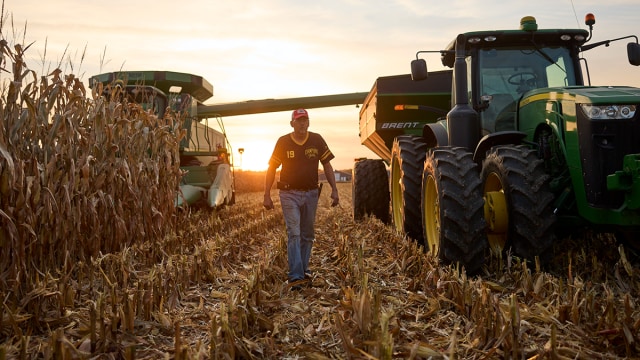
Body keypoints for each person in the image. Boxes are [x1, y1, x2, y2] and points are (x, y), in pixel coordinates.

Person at [263, 108, 339, 290]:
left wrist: (335, 189)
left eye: (305, 120)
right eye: (299, 120)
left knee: (308, 235)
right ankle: (295, 276)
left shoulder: (317, 140)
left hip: (312, 193)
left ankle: (303, 270)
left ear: (309, 122)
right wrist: (266, 194)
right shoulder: (283, 142)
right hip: (289, 194)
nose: (302, 123)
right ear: (292, 123)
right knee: (294, 233)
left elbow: (327, 165)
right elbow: (272, 168)